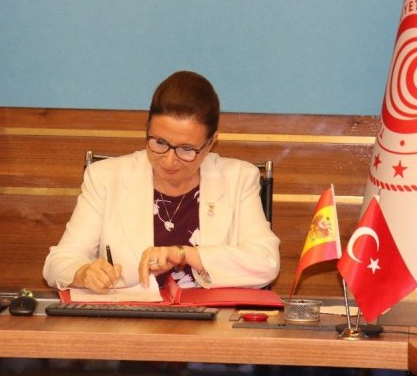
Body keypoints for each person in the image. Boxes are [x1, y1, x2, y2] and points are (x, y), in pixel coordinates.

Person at [43, 71, 280, 292]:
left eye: (186, 149)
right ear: (147, 130)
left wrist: (185, 254)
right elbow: (58, 262)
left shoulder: (238, 178)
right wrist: (83, 273)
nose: (169, 160)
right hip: (129, 320)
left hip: (214, 319)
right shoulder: (106, 178)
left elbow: (266, 262)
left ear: (211, 143)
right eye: (160, 143)